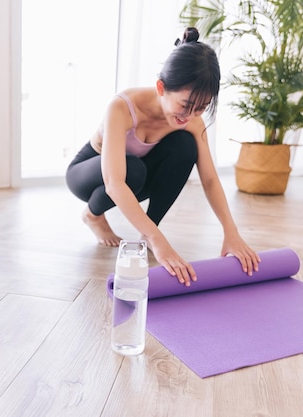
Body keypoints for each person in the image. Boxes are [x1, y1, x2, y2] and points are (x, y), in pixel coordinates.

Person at [66, 27, 260, 286]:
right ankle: (92, 215)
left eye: (200, 108)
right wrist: (161, 241)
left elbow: (211, 180)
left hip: (133, 175)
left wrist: (231, 232)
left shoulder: (192, 121)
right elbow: (114, 183)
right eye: (184, 105)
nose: (189, 116)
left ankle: (149, 230)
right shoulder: (122, 107)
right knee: (132, 170)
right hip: (87, 173)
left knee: (185, 146)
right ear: (161, 87)